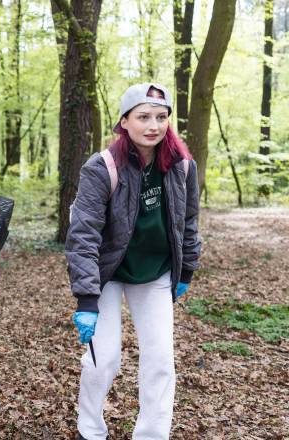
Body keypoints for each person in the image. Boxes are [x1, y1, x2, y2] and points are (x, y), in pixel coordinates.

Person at [65, 83, 202, 440]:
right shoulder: (102, 168)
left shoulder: (183, 167)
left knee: (160, 360)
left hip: (155, 272)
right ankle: (90, 430)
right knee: (104, 358)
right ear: (124, 122)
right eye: (143, 117)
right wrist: (87, 298)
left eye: (161, 117)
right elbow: (83, 234)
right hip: (107, 272)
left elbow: (188, 222)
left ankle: (152, 434)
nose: (153, 125)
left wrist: (186, 269)